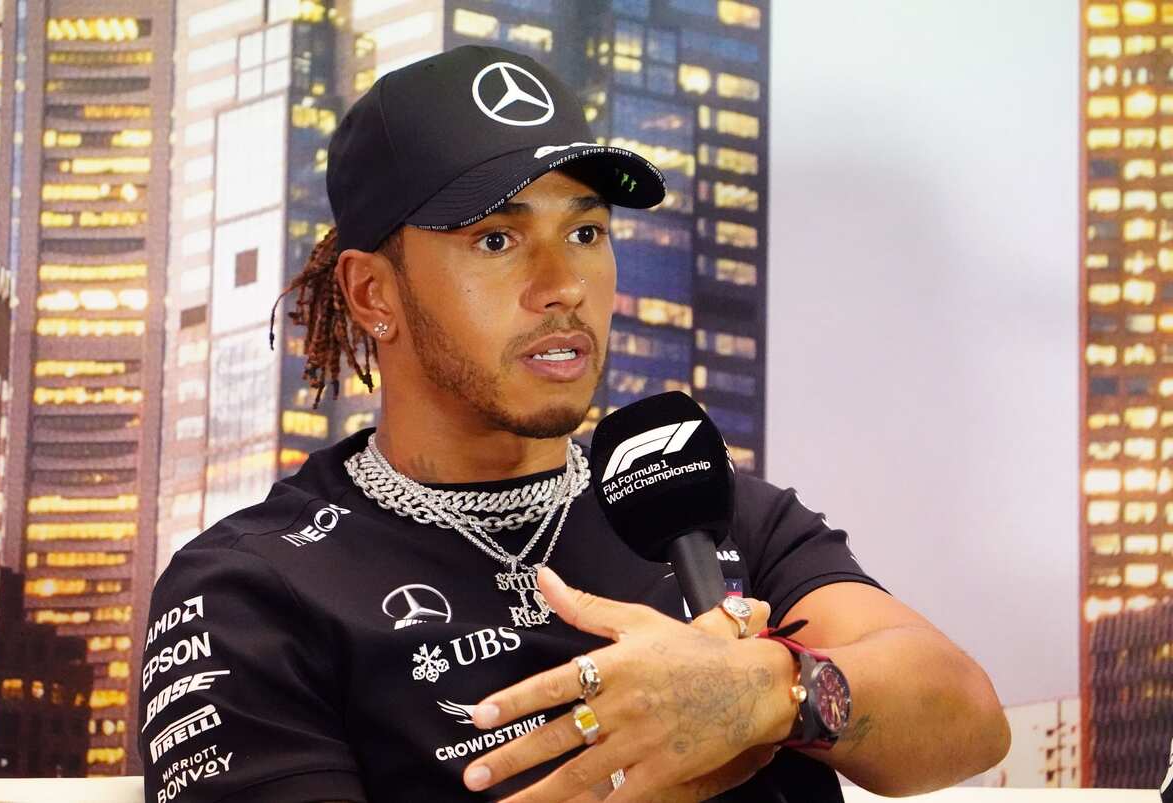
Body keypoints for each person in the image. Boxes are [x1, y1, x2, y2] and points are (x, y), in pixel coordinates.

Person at [138, 44, 1009, 802]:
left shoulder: (706, 502)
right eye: (497, 241)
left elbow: (966, 716)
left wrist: (768, 689)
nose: (562, 284)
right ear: (374, 293)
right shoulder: (250, 588)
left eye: (587, 231)